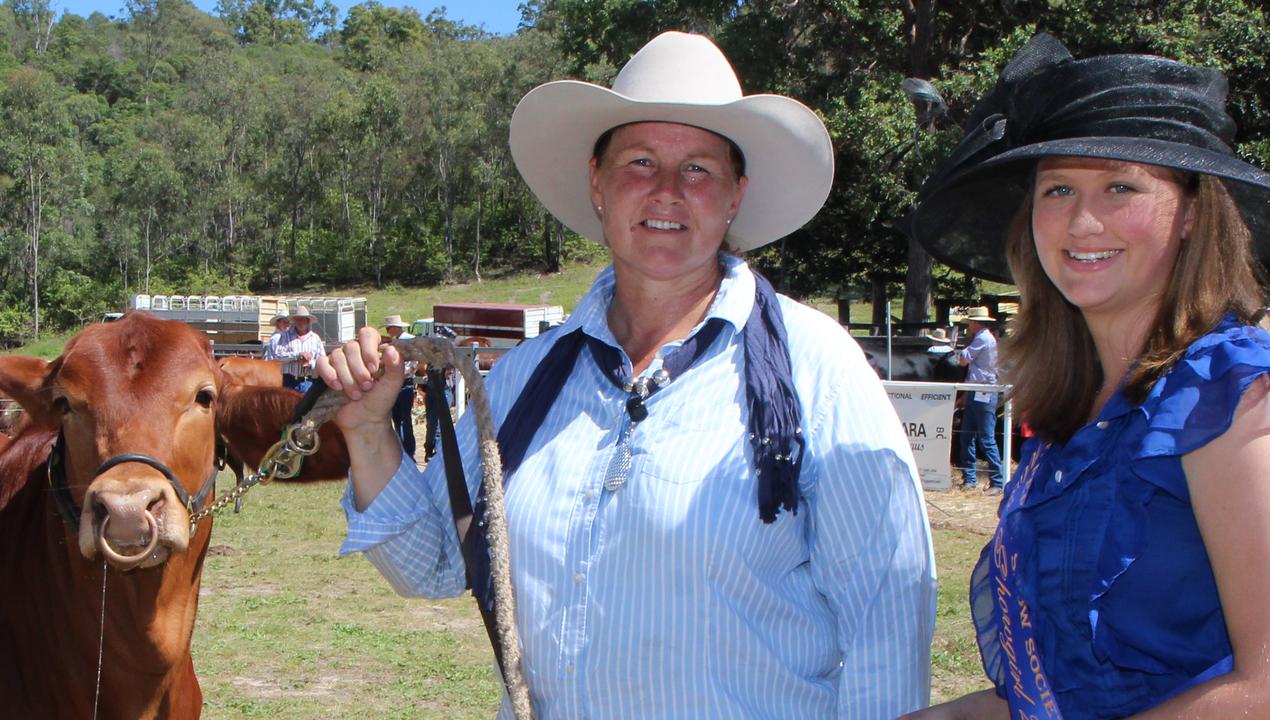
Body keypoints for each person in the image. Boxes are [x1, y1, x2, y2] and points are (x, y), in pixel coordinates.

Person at [319, 31, 936, 719]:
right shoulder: (525, 381)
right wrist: (371, 433)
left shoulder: (814, 369)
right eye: (640, 162)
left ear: (736, 196)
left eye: (699, 168)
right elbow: (433, 565)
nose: (668, 191)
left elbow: (887, 615)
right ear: (598, 185)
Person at [907, 34, 1270, 719]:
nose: (1082, 221)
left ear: (1194, 211)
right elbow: (1058, 691)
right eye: (1058, 188)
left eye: (1120, 185)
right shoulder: (1070, 414)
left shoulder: (1233, 393)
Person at [955, 307, 1003, 491]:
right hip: (978, 390)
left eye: (970, 324)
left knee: (982, 437)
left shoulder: (982, 338)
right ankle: (975, 479)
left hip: (982, 390)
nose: (969, 327)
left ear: (975, 323)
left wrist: (962, 351)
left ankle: (991, 481)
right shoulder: (986, 338)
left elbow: (963, 360)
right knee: (974, 436)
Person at [383, 314, 417, 457]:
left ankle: (408, 448)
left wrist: (405, 372)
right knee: (397, 417)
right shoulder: (395, 342)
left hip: (404, 381)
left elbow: (414, 360)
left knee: (404, 417)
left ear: (394, 328)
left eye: (389, 328)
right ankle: (403, 447)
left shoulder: (407, 340)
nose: (387, 330)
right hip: (396, 382)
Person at [276, 306, 325, 393]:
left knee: (307, 406)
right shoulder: (285, 336)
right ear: (294, 320)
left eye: (303, 319)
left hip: (308, 381)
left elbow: (322, 361)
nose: (301, 322)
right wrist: (297, 355)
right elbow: (278, 356)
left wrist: (310, 363)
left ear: (308, 321)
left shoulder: (315, 338)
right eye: (298, 319)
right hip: (289, 380)